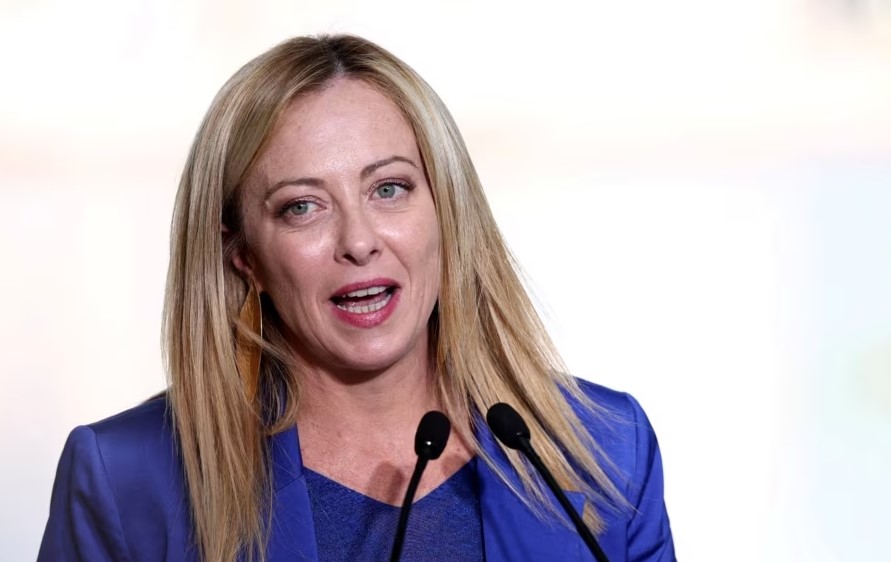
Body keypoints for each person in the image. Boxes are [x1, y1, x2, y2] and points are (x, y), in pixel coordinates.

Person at [38, 34, 675, 562]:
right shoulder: (127, 480)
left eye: (389, 189)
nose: (359, 241)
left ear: (447, 210)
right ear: (242, 254)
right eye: (302, 206)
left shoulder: (606, 448)